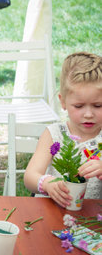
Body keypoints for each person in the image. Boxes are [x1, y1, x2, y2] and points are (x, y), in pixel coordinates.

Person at [24, 52, 102, 205]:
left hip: (92, 219)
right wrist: (47, 184)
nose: (88, 114)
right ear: (63, 101)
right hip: (52, 211)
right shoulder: (54, 134)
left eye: (98, 105)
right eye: (78, 106)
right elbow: (30, 176)